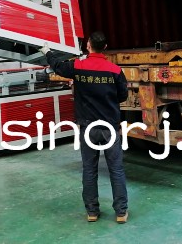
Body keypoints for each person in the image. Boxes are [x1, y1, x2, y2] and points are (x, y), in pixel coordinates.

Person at [42, 31, 129, 223]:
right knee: (116, 169)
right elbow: (123, 96)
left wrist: (47, 52)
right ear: (105, 47)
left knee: (89, 169)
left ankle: (92, 212)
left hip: (87, 127)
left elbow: (58, 67)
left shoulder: (78, 66)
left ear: (88, 46)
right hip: (109, 127)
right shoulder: (115, 70)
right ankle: (121, 212)